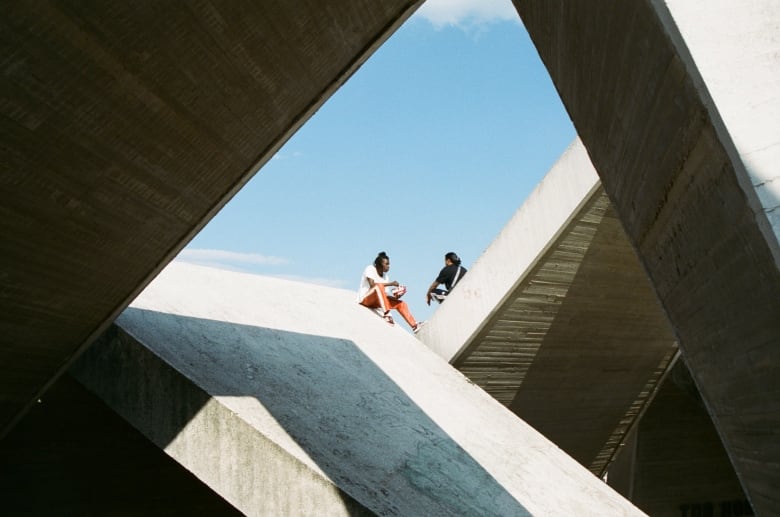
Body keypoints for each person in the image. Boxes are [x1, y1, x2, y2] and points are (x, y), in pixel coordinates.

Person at [358, 251, 423, 332]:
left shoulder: (386, 276)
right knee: (379, 286)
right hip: (366, 299)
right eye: (387, 264)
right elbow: (372, 285)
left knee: (401, 303)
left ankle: (414, 325)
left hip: (376, 303)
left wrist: (396, 297)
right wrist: (390, 284)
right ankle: (386, 315)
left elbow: (384, 295)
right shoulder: (370, 268)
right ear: (379, 265)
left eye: (389, 264)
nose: (389, 266)